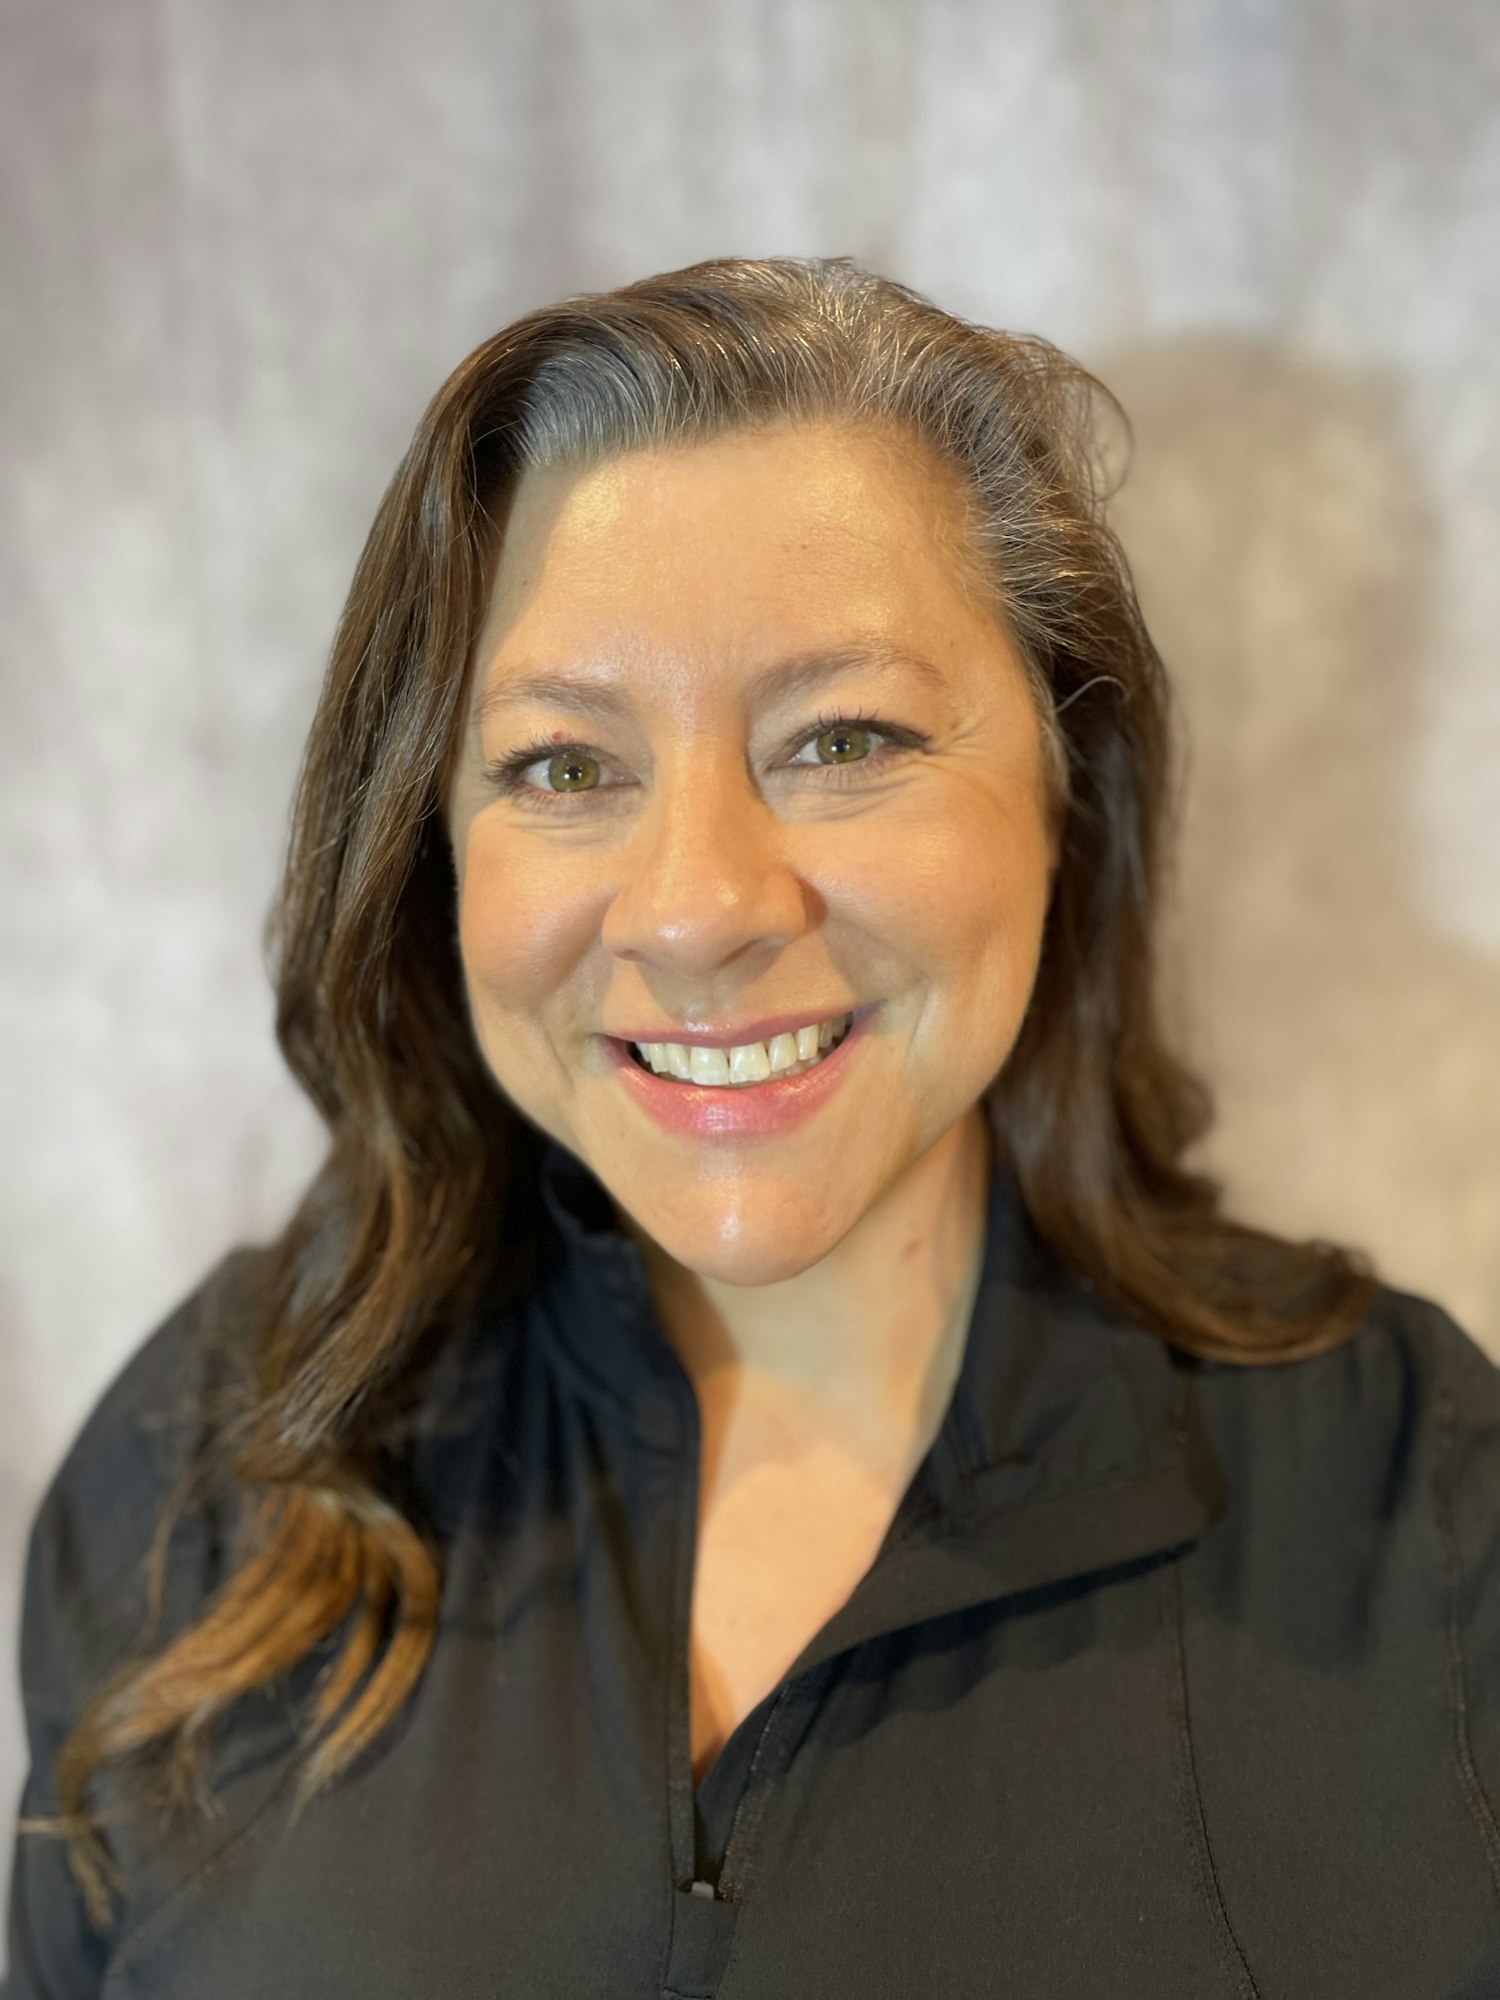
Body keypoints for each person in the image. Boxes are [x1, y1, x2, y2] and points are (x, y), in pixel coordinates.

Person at [5, 255, 1498, 1999]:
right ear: (432, 850)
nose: (699, 906)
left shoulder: (1426, 1509)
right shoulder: (206, 1470)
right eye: (565, 765)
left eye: (842, 736)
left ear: (1062, 791)